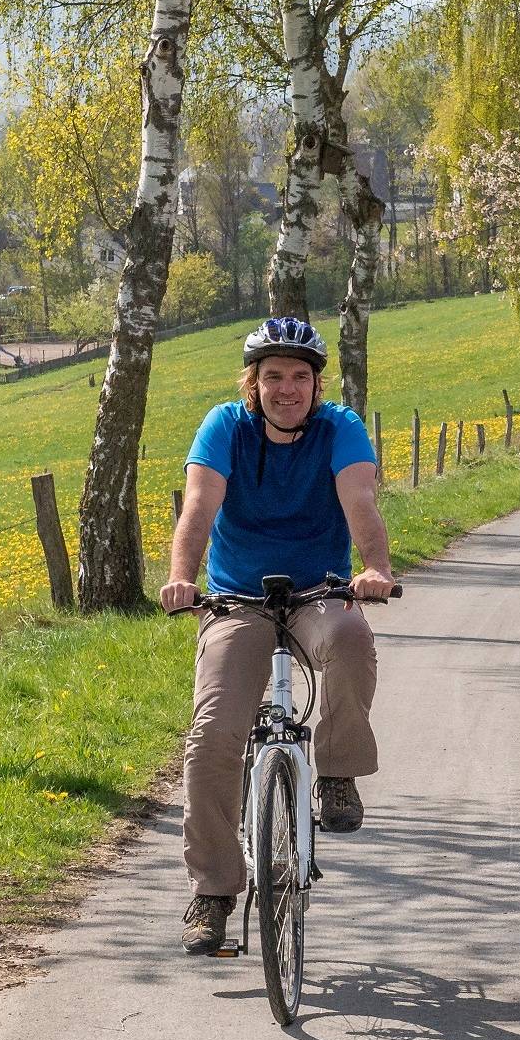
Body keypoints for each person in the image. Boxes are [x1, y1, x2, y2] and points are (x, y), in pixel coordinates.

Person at [160, 317, 398, 955]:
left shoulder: (339, 427)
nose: (287, 388)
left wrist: (374, 568)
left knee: (349, 637)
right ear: (253, 383)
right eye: (273, 377)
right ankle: (212, 891)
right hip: (238, 599)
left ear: (317, 384)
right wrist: (183, 578)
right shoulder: (224, 427)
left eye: (299, 376)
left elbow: (361, 502)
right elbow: (199, 508)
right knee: (213, 735)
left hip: (319, 591)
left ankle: (337, 773)